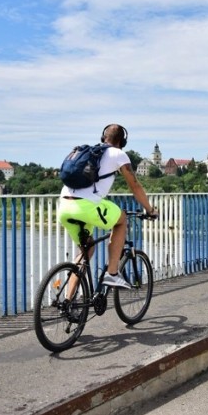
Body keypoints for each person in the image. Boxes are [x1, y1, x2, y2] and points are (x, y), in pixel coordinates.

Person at [58, 123, 158, 291]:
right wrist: (150, 209)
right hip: (87, 206)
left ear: (103, 137)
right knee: (121, 219)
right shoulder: (118, 154)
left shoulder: (88, 152)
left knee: (85, 252)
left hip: (64, 206)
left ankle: (68, 303)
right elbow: (135, 186)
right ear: (122, 141)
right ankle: (112, 274)